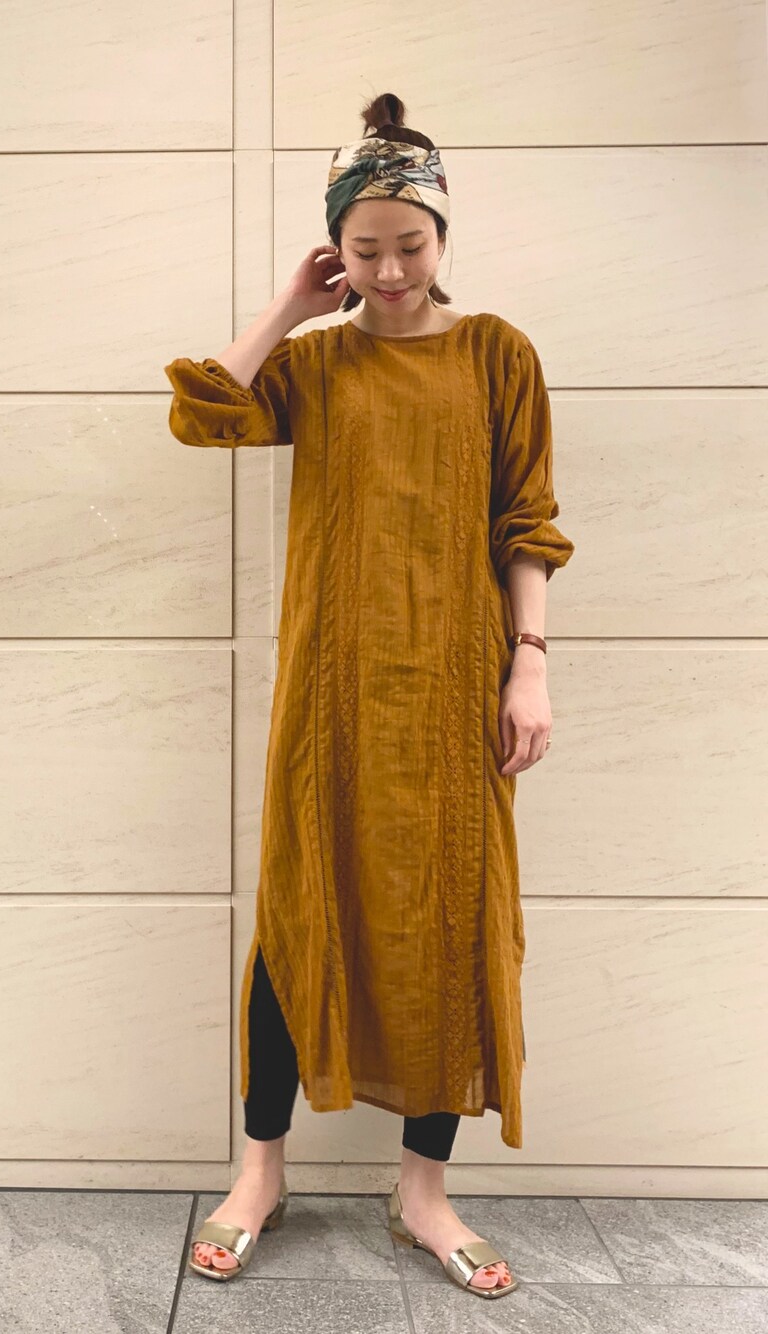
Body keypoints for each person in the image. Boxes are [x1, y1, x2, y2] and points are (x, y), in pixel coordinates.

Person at [163, 91, 575, 1299]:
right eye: (365, 248)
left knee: (450, 917)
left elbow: (527, 517)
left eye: (410, 244)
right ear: (335, 247)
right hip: (330, 689)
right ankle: (259, 1173)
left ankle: (422, 1193)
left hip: (455, 690)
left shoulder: (497, 354)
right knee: (298, 913)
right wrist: (290, 307)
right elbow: (202, 413)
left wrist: (530, 659)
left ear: (443, 237)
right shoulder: (317, 362)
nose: (390, 271)